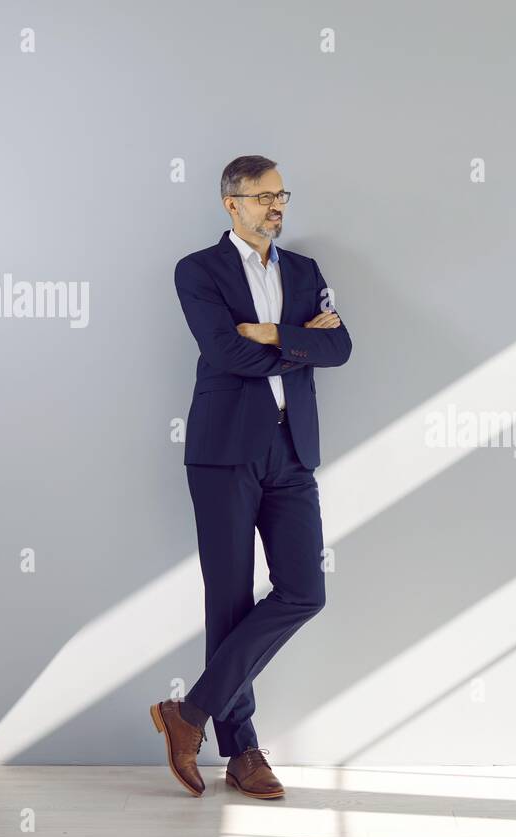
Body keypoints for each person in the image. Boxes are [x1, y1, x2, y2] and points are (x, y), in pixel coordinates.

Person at [150, 154, 352, 798]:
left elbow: (341, 347)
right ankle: (243, 753)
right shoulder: (197, 270)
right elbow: (225, 353)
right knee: (230, 601)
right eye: (264, 196)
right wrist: (297, 342)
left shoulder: (304, 270)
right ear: (230, 203)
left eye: (282, 195)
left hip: (293, 452)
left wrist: (269, 331)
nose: (277, 206)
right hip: (224, 452)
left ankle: (187, 714)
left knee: (304, 591)